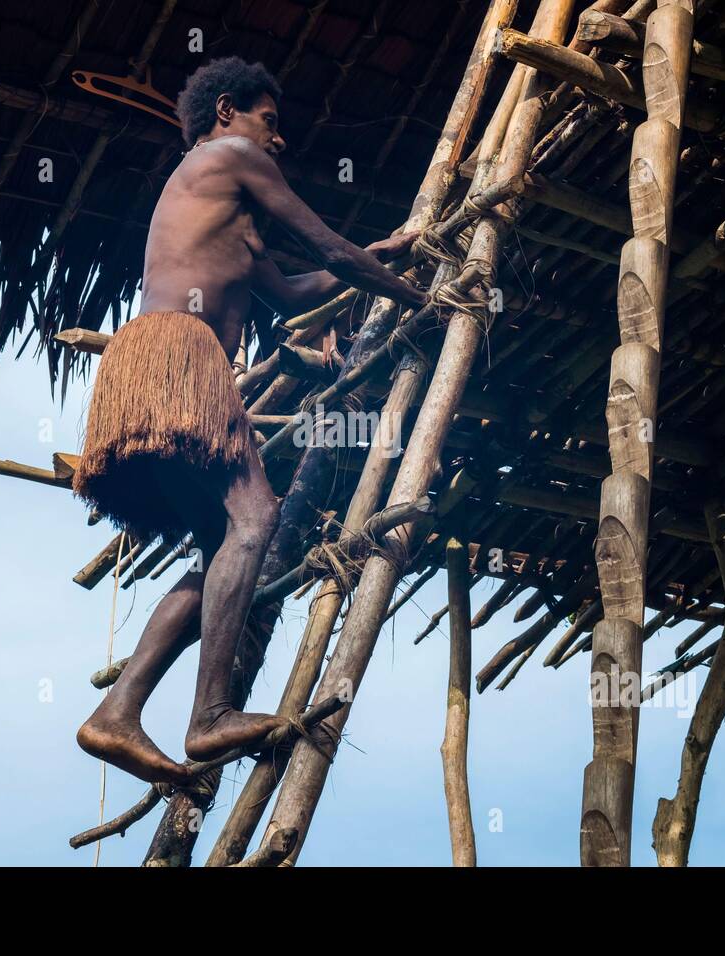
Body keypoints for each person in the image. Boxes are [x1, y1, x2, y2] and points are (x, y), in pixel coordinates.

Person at [73, 56, 428, 784]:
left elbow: (298, 288)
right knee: (257, 519)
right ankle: (209, 717)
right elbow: (328, 245)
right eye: (271, 121)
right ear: (228, 111)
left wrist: (377, 254)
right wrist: (415, 296)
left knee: (220, 543)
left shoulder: (222, 207)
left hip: (154, 360)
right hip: (181, 357)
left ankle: (116, 714)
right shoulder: (228, 154)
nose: (279, 141)